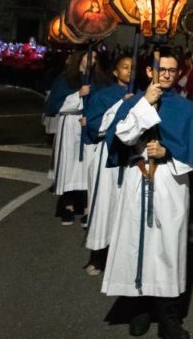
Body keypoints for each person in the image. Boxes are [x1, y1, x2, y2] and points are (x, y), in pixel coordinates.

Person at [101, 52, 193, 339]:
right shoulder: (134, 101)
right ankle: (139, 310)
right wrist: (145, 104)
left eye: (172, 70)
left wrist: (169, 152)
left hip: (169, 180)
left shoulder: (185, 108)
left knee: (168, 247)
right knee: (138, 244)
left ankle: (168, 317)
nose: (166, 74)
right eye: (161, 69)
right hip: (138, 178)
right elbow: (123, 136)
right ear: (150, 72)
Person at [82, 55, 133, 275]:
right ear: (115, 72)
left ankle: (125, 259)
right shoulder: (104, 95)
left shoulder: (143, 96)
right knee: (104, 205)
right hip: (108, 156)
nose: (129, 71)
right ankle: (98, 256)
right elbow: (94, 125)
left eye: (133, 68)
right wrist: (122, 105)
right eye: (124, 67)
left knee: (129, 207)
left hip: (132, 158)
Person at [45, 51, 93, 225]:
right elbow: (55, 105)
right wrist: (78, 95)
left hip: (89, 126)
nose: (92, 61)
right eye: (89, 57)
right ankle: (68, 206)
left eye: (94, 58)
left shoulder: (97, 79)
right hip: (70, 125)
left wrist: (93, 116)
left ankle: (88, 208)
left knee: (88, 166)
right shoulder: (65, 78)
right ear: (80, 59)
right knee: (69, 164)